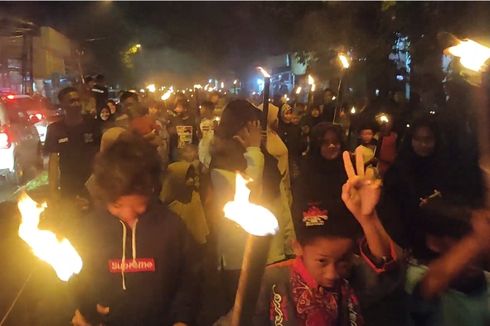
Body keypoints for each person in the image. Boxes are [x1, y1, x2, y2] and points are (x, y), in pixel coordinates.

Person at [255, 151, 401, 325]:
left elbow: (386, 273)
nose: (332, 274)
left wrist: (368, 219)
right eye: (322, 261)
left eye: (342, 261)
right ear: (297, 247)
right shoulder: (273, 280)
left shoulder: (354, 275)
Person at [71, 134, 200, 326]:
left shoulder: (171, 227)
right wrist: (80, 310)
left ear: (151, 191)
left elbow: (189, 280)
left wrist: (183, 319)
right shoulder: (88, 231)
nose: (128, 215)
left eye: (137, 206)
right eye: (117, 205)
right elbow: (76, 281)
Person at [209, 100, 292, 312]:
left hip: (273, 254)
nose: (259, 133)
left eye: (260, 127)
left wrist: (290, 241)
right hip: (241, 258)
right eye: (253, 127)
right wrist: (254, 151)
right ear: (239, 128)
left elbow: (279, 200)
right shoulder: (223, 162)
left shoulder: (265, 158)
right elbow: (249, 198)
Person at [379, 116, 484, 256]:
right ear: (410, 140)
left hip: (446, 248)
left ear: (436, 140)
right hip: (408, 248)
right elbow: (392, 213)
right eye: (418, 139)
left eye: (428, 139)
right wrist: (421, 238)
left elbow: (457, 205)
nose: (423, 144)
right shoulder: (399, 172)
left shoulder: (447, 169)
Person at [405, 199, 490, 326]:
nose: (473, 256)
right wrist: (478, 238)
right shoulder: (418, 275)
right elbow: (433, 281)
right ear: (435, 243)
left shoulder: (486, 280)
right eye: (460, 240)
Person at [45, 86, 100, 202]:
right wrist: (53, 190)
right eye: (71, 101)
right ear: (62, 104)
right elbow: (53, 161)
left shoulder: (93, 124)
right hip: (69, 185)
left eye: (78, 100)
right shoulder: (54, 129)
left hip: (93, 183)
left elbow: (101, 153)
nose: (76, 104)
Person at [278, 104, 306, 183]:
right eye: (286, 113)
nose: (289, 115)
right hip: (282, 159)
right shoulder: (278, 128)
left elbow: (300, 143)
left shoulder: (296, 128)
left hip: (293, 158)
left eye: (290, 113)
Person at [375, 112, 398, 177]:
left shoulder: (395, 136)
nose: (387, 125)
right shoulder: (378, 136)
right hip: (379, 167)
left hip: (391, 167)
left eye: (390, 122)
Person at [198, 101, 217, 169]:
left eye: (201, 108)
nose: (200, 110)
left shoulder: (216, 122)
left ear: (207, 109)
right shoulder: (202, 122)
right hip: (203, 150)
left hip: (212, 150)